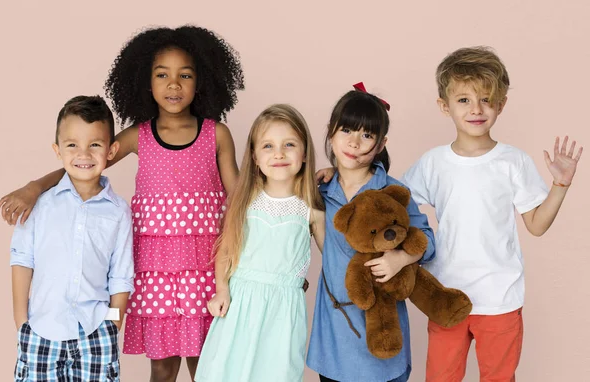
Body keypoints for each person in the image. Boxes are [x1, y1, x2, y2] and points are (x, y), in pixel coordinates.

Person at [0, 25, 244, 381]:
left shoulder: (216, 134)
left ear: (201, 81)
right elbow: (84, 163)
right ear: (146, 82)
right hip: (154, 271)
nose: (173, 85)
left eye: (185, 75)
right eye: (162, 75)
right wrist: (34, 187)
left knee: (207, 364)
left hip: (205, 267)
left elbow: (238, 198)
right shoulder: (138, 135)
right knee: (162, 367)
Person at [401, 46, 583, 381]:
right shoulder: (433, 163)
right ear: (445, 106)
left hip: (500, 299)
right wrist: (338, 177)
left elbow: (537, 225)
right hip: (447, 296)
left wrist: (560, 185)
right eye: (464, 100)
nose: (477, 109)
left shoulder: (513, 162)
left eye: (486, 99)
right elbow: (393, 201)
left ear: (501, 104)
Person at [307, 85, 436, 382]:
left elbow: (428, 242)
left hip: (380, 330)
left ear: (381, 144)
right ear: (330, 132)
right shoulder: (320, 189)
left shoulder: (392, 192)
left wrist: (400, 260)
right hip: (334, 334)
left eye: (366, 135)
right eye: (346, 130)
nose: (353, 142)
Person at [195, 104, 325, 381]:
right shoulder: (246, 202)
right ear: (254, 156)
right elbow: (227, 249)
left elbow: (336, 259)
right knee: (227, 371)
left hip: (283, 313)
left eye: (289, 144)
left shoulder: (312, 213)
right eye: (268, 146)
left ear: (304, 154)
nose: (278, 153)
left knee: (276, 372)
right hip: (240, 305)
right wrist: (221, 290)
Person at [10, 95, 134, 381]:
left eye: (95, 145)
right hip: (42, 331)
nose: (84, 154)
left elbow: (121, 276)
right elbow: (21, 260)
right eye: (72, 145)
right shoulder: (39, 204)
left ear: (112, 150)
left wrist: (111, 326)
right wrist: (22, 323)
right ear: (57, 150)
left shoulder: (118, 212)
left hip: (95, 334)